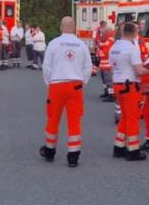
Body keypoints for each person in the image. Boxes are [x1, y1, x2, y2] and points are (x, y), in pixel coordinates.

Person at [40, 17, 93, 168]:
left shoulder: (53, 43)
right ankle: (73, 155)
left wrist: (49, 83)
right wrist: (82, 83)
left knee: (53, 119)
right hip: (75, 86)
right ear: (75, 27)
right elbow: (88, 68)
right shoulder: (82, 44)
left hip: (56, 85)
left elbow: (46, 67)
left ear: (61, 27)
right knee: (74, 121)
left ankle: (49, 151)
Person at [110, 22, 149, 161]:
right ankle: (133, 150)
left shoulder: (114, 47)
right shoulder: (131, 48)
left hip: (118, 85)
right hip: (130, 86)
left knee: (124, 117)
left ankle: (119, 147)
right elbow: (139, 70)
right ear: (134, 34)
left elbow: (112, 67)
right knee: (132, 118)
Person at [97, 25, 115, 101]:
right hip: (104, 65)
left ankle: (111, 95)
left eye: (102, 33)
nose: (101, 35)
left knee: (109, 81)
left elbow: (105, 53)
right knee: (105, 81)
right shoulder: (107, 41)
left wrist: (98, 50)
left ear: (107, 33)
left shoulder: (110, 41)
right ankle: (107, 92)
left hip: (107, 66)